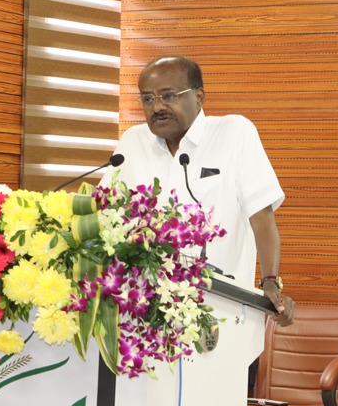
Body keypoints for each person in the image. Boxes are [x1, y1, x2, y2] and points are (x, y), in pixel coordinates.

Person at [99, 56, 294, 326]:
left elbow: (261, 218)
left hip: (221, 316)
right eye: (147, 99)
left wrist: (270, 282)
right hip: (144, 315)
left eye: (168, 96)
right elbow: (102, 216)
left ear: (199, 97)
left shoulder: (235, 133)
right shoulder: (132, 144)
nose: (157, 107)